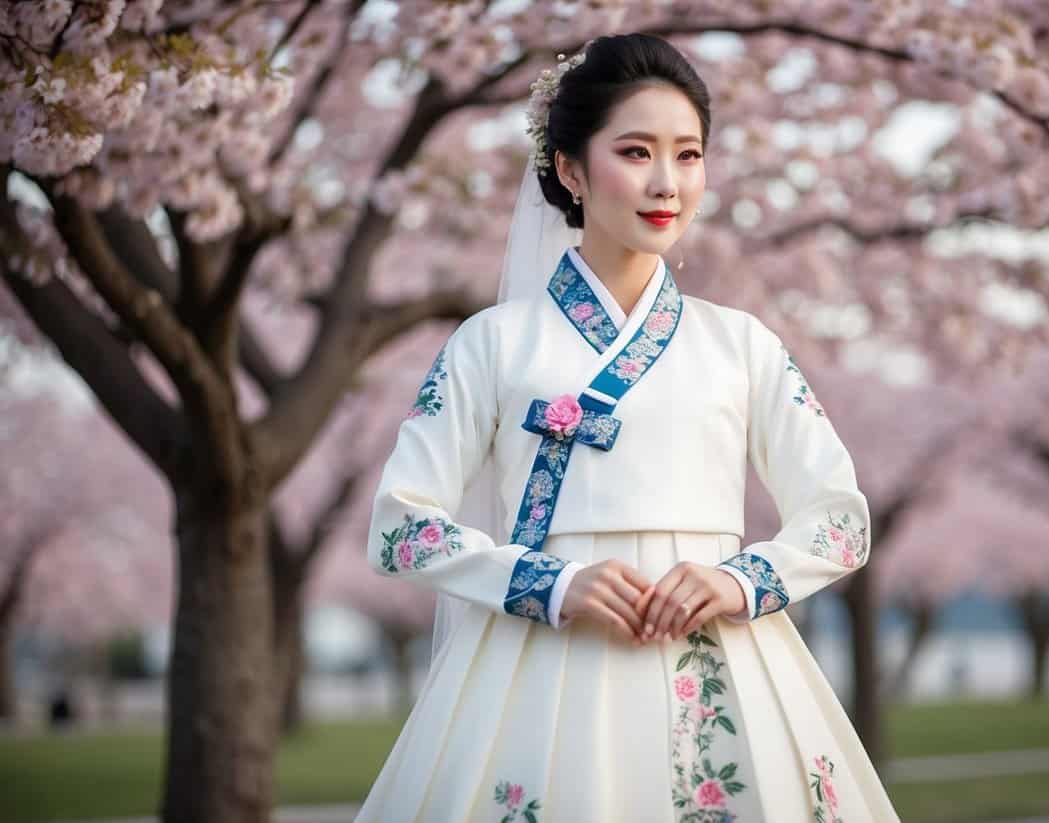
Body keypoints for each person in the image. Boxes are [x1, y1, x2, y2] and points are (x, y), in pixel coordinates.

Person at [354, 32, 901, 823]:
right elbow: (400, 527)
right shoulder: (493, 343)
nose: (666, 182)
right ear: (571, 170)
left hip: (720, 655)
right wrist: (553, 582)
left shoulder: (740, 344)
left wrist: (738, 579)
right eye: (637, 152)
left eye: (688, 155)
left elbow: (841, 522)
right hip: (538, 663)